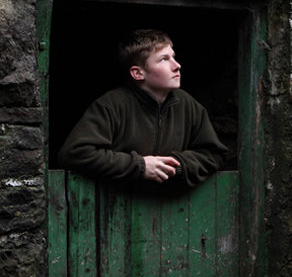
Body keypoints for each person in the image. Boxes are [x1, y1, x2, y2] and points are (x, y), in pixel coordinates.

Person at [57, 28, 226, 190]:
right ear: (138, 73)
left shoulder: (188, 105)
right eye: (164, 59)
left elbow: (214, 154)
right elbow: (74, 153)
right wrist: (140, 166)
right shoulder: (112, 105)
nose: (177, 65)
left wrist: (177, 166)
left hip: (173, 206)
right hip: (118, 203)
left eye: (173, 57)